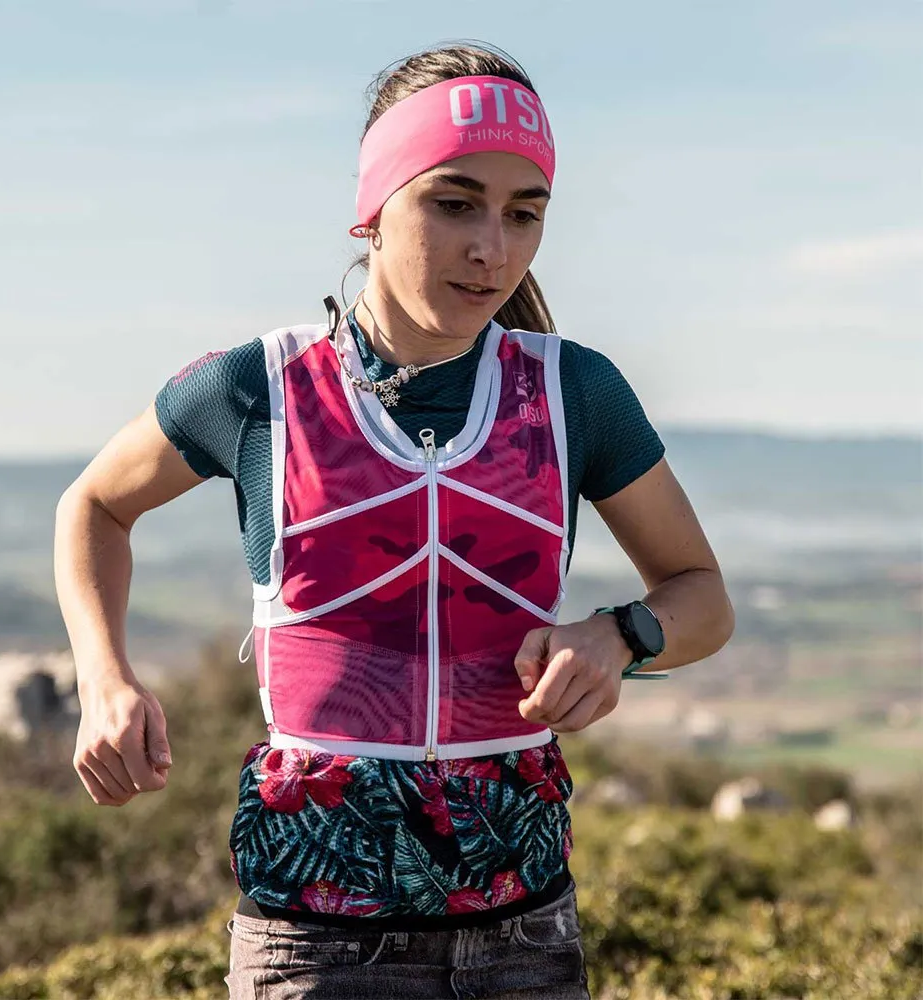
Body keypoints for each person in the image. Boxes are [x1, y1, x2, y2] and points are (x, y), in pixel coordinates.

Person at [54, 41, 734, 1000]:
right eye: (454, 203)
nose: (492, 249)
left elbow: (703, 598)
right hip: (315, 944)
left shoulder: (574, 392)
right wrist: (104, 680)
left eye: (524, 214)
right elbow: (94, 504)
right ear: (374, 208)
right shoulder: (259, 387)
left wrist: (620, 635)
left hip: (524, 934)